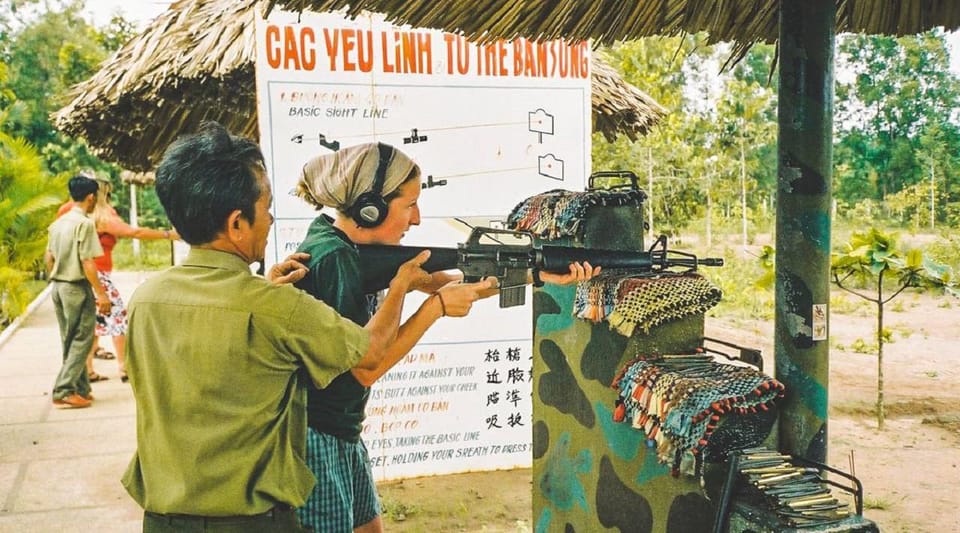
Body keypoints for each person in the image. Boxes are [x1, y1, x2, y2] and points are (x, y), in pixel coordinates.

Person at [121, 122, 452, 533]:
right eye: (266, 208)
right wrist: (409, 289)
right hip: (250, 521)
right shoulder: (275, 306)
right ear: (237, 223)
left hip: (164, 518)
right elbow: (368, 355)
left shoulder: (146, 299)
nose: (273, 219)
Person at [293, 142, 598, 533]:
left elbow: (449, 281)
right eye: (409, 205)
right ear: (371, 208)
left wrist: (536, 273)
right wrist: (432, 308)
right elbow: (365, 369)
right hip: (316, 435)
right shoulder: (334, 258)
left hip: (342, 429)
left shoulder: (348, 249)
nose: (416, 219)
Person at [57, 173, 179, 383]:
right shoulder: (100, 216)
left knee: (90, 323)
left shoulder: (66, 212)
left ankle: (88, 370)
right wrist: (168, 235)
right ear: (95, 194)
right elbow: (135, 232)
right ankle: (124, 367)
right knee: (118, 318)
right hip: (97, 274)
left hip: (73, 276)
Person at [45, 175, 112, 409]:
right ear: (91, 198)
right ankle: (63, 389)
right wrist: (101, 294)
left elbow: (48, 258)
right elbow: (88, 262)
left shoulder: (58, 224)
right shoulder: (84, 224)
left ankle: (80, 389)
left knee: (70, 339)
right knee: (83, 339)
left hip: (59, 287)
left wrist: (57, 277)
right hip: (76, 287)